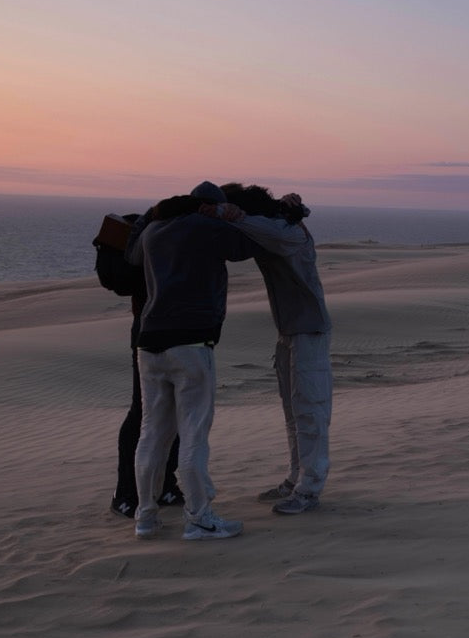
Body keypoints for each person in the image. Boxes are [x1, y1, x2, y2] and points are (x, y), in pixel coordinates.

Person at [123, 181, 262, 540]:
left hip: (149, 343)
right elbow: (248, 246)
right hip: (191, 342)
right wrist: (232, 216)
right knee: (194, 434)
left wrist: (151, 214)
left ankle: (145, 518)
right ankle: (199, 518)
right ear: (211, 205)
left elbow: (131, 255)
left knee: (152, 434)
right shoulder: (207, 226)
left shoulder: (154, 229)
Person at [208, 183, 332, 515]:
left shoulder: (284, 231)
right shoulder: (274, 226)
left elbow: (265, 227)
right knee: (293, 411)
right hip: (290, 330)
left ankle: (310, 488)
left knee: (309, 410)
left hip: (309, 330)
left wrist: (231, 214)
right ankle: (296, 479)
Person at [93, 213, 183, 519]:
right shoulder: (157, 238)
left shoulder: (173, 235)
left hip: (177, 333)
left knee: (174, 411)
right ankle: (125, 493)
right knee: (143, 412)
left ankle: (165, 484)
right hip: (148, 332)